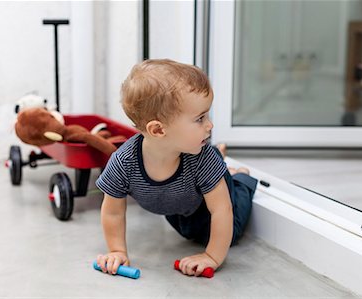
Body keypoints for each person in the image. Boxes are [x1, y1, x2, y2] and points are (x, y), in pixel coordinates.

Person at [95, 59, 258, 277]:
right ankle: (223, 167)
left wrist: (212, 256)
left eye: (206, 115)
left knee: (233, 232)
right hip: (177, 204)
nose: (210, 125)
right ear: (158, 130)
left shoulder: (202, 158)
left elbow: (222, 210)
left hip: (205, 198)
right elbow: (113, 212)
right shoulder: (124, 162)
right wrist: (117, 251)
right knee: (188, 232)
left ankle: (239, 179)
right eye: (200, 119)